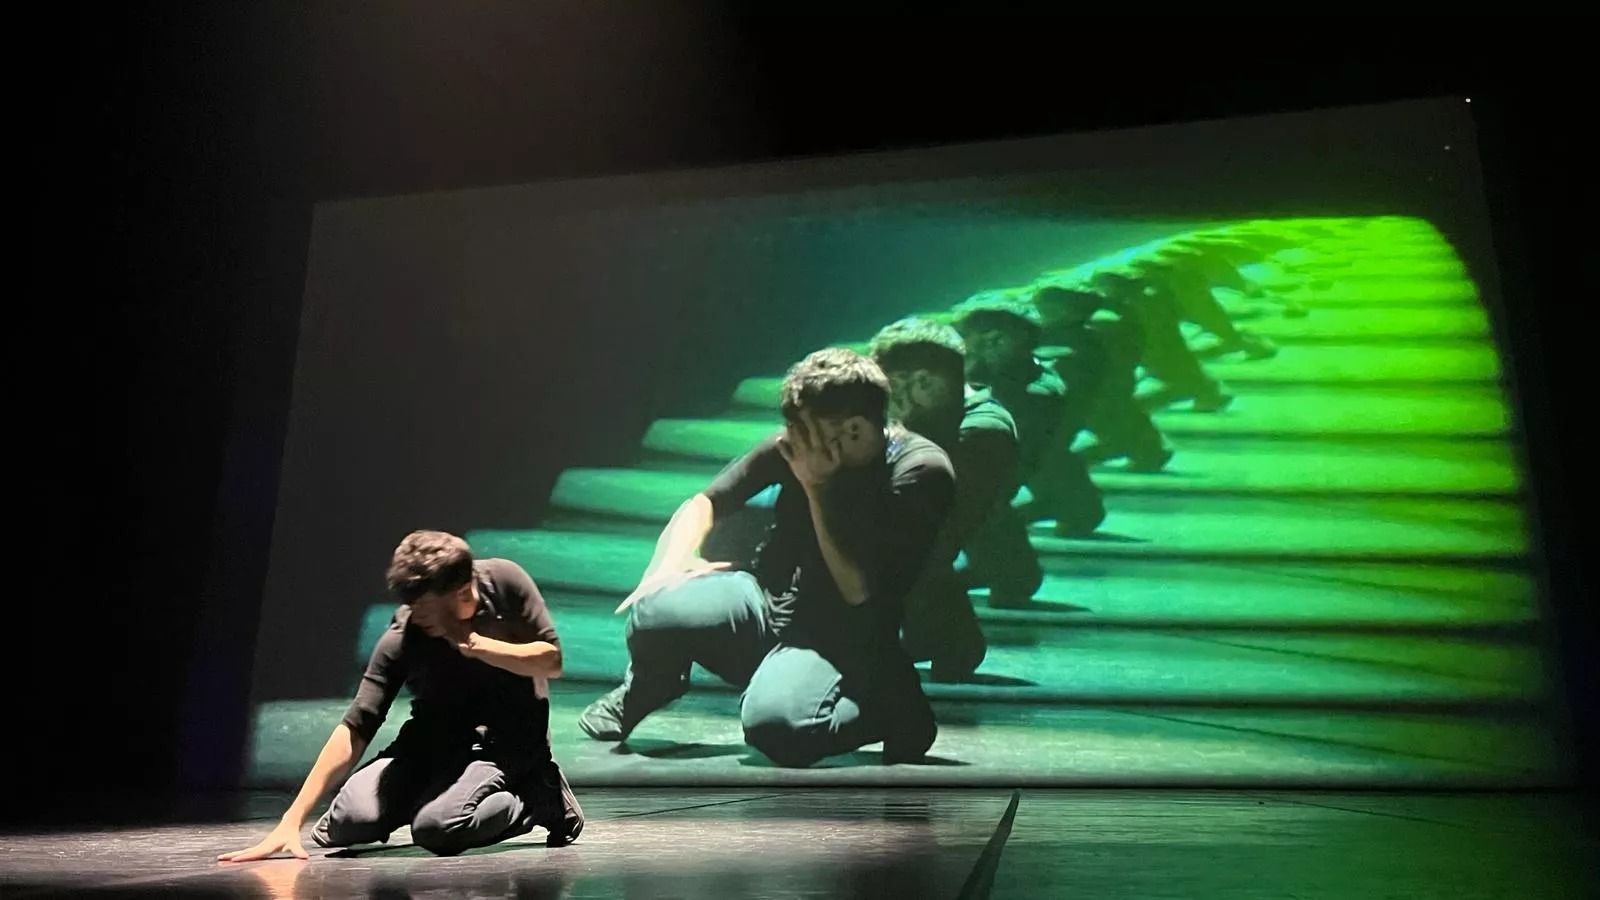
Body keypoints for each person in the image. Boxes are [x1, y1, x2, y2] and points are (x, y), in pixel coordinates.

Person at [577, 348, 952, 767]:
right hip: (768, 603)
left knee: (780, 732)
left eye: (803, 428)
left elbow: (858, 589)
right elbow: (705, 502)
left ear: (854, 429)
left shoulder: (919, 470)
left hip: (846, 634)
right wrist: (669, 566)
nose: (791, 436)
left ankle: (894, 709)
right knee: (656, 608)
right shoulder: (800, 443)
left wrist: (817, 489)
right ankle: (649, 687)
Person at [219, 531, 582, 862]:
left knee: (439, 829)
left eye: (424, 605)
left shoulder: (505, 583)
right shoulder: (406, 632)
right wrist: (291, 819)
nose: (414, 612)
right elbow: (359, 722)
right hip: (431, 745)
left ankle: (539, 799)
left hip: (506, 746)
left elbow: (551, 660)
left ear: (461, 591)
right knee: (346, 825)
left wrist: (475, 644)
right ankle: (435, 796)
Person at [869, 317, 1023, 679]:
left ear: (922, 380)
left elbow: (939, 510)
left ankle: (954, 640)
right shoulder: (936, 413)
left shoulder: (982, 429)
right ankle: (928, 635)